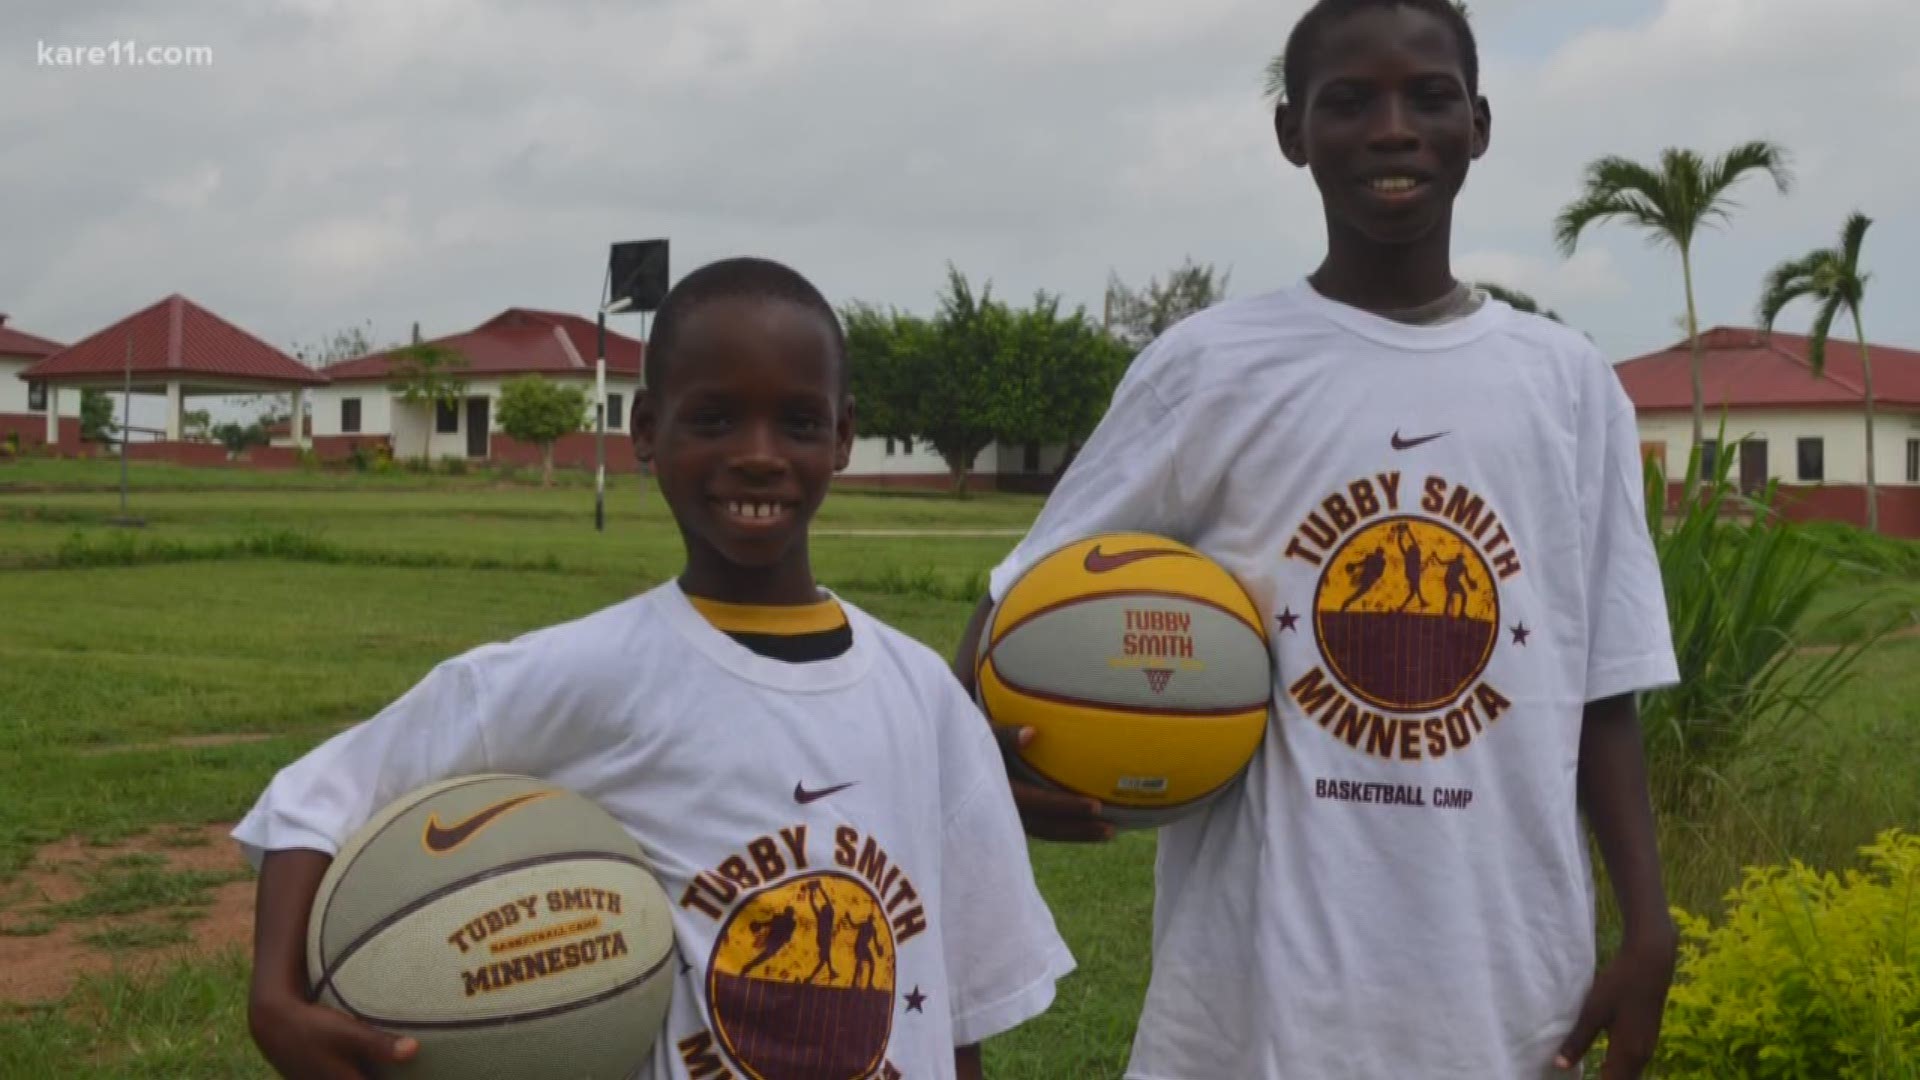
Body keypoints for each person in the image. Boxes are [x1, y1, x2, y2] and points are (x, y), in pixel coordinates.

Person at [952, 2, 1680, 1077]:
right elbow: (1019, 603)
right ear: (1293, 133)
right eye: (1349, 103)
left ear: (1478, 124)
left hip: (1508, 995)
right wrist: (987, 751)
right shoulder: (1211, 367)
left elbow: (1602, 688)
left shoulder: (1566, 383)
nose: (1393, 128)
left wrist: (1650, 927)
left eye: (1428, 96)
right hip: (1251, 1009)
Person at [236, 256, 1074, 1080]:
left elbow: (960, 1003)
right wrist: (275, 1000)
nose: (758, 454)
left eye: (799, 422)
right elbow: (312, 800)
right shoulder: (585, 671)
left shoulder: (922, 692)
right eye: (713, 420)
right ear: (644, 432)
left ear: (844, 436)